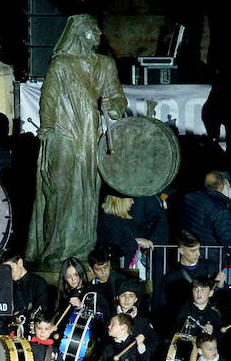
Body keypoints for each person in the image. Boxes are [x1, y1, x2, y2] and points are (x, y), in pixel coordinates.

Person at [27, 15, 127, 267]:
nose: (98, 33)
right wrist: (47, 128)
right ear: (80, 33)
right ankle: (55, 250)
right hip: (63, 135)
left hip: (89, 138)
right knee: (60, 192)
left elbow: (118, 98)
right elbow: (47, 99)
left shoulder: (105, 65)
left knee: (87, 193)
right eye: (93, 28)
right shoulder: (60, 64)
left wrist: (112, 105)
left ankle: (82, 248)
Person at [97, 192, 169, 269]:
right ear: (121, 201)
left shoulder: (111, 219)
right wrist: (137, 242)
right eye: (130, 199)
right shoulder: (115, 222)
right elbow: (115, 250)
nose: (133, 202)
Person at [181, 170, 231, 247]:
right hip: (211, 253)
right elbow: (226, 236)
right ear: (221, 186)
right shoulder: (220, 208)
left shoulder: (189, 198)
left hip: (189, 249)